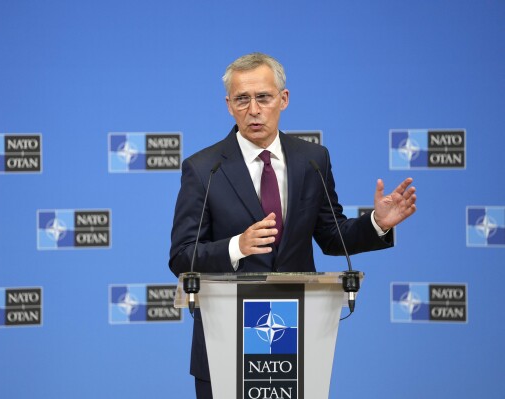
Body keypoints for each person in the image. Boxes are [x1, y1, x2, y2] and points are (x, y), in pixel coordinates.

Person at [168, 52, 417, 399]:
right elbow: (182, 257)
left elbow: (332, 237)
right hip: (225, 341)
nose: (253, 109)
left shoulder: (312, 159)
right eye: (242, 99)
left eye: (263, 97)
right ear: (228, 105)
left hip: (294, 337)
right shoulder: (203, 168)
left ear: (282, 99)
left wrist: (376, 223)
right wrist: (236, 246)